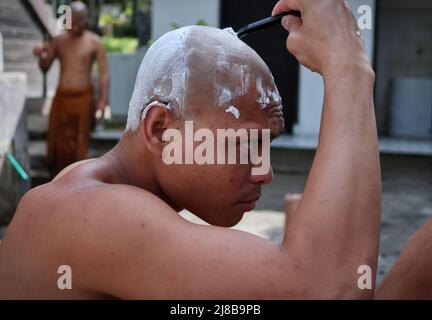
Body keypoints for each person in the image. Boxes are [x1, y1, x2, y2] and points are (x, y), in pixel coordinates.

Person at [0, 0, 380, 299]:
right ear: (161, 129)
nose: (265, 172)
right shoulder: (93, 212)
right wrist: (348, 64)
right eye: (245, 144)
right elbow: (326, 289)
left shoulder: (93, 188)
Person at [33, 1, 110, 177]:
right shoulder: (59, 41)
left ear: (85, 20)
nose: (74, 26)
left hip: (83, 98)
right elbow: (45, 67)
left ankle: (78, 180)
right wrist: (40, 56)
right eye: (71, 21)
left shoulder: (94, 42)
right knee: (58, 144)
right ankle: (58, 180)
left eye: (78, 21)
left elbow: (104, 73)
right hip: (62, 98)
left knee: (80, 141)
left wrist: (103, 101)